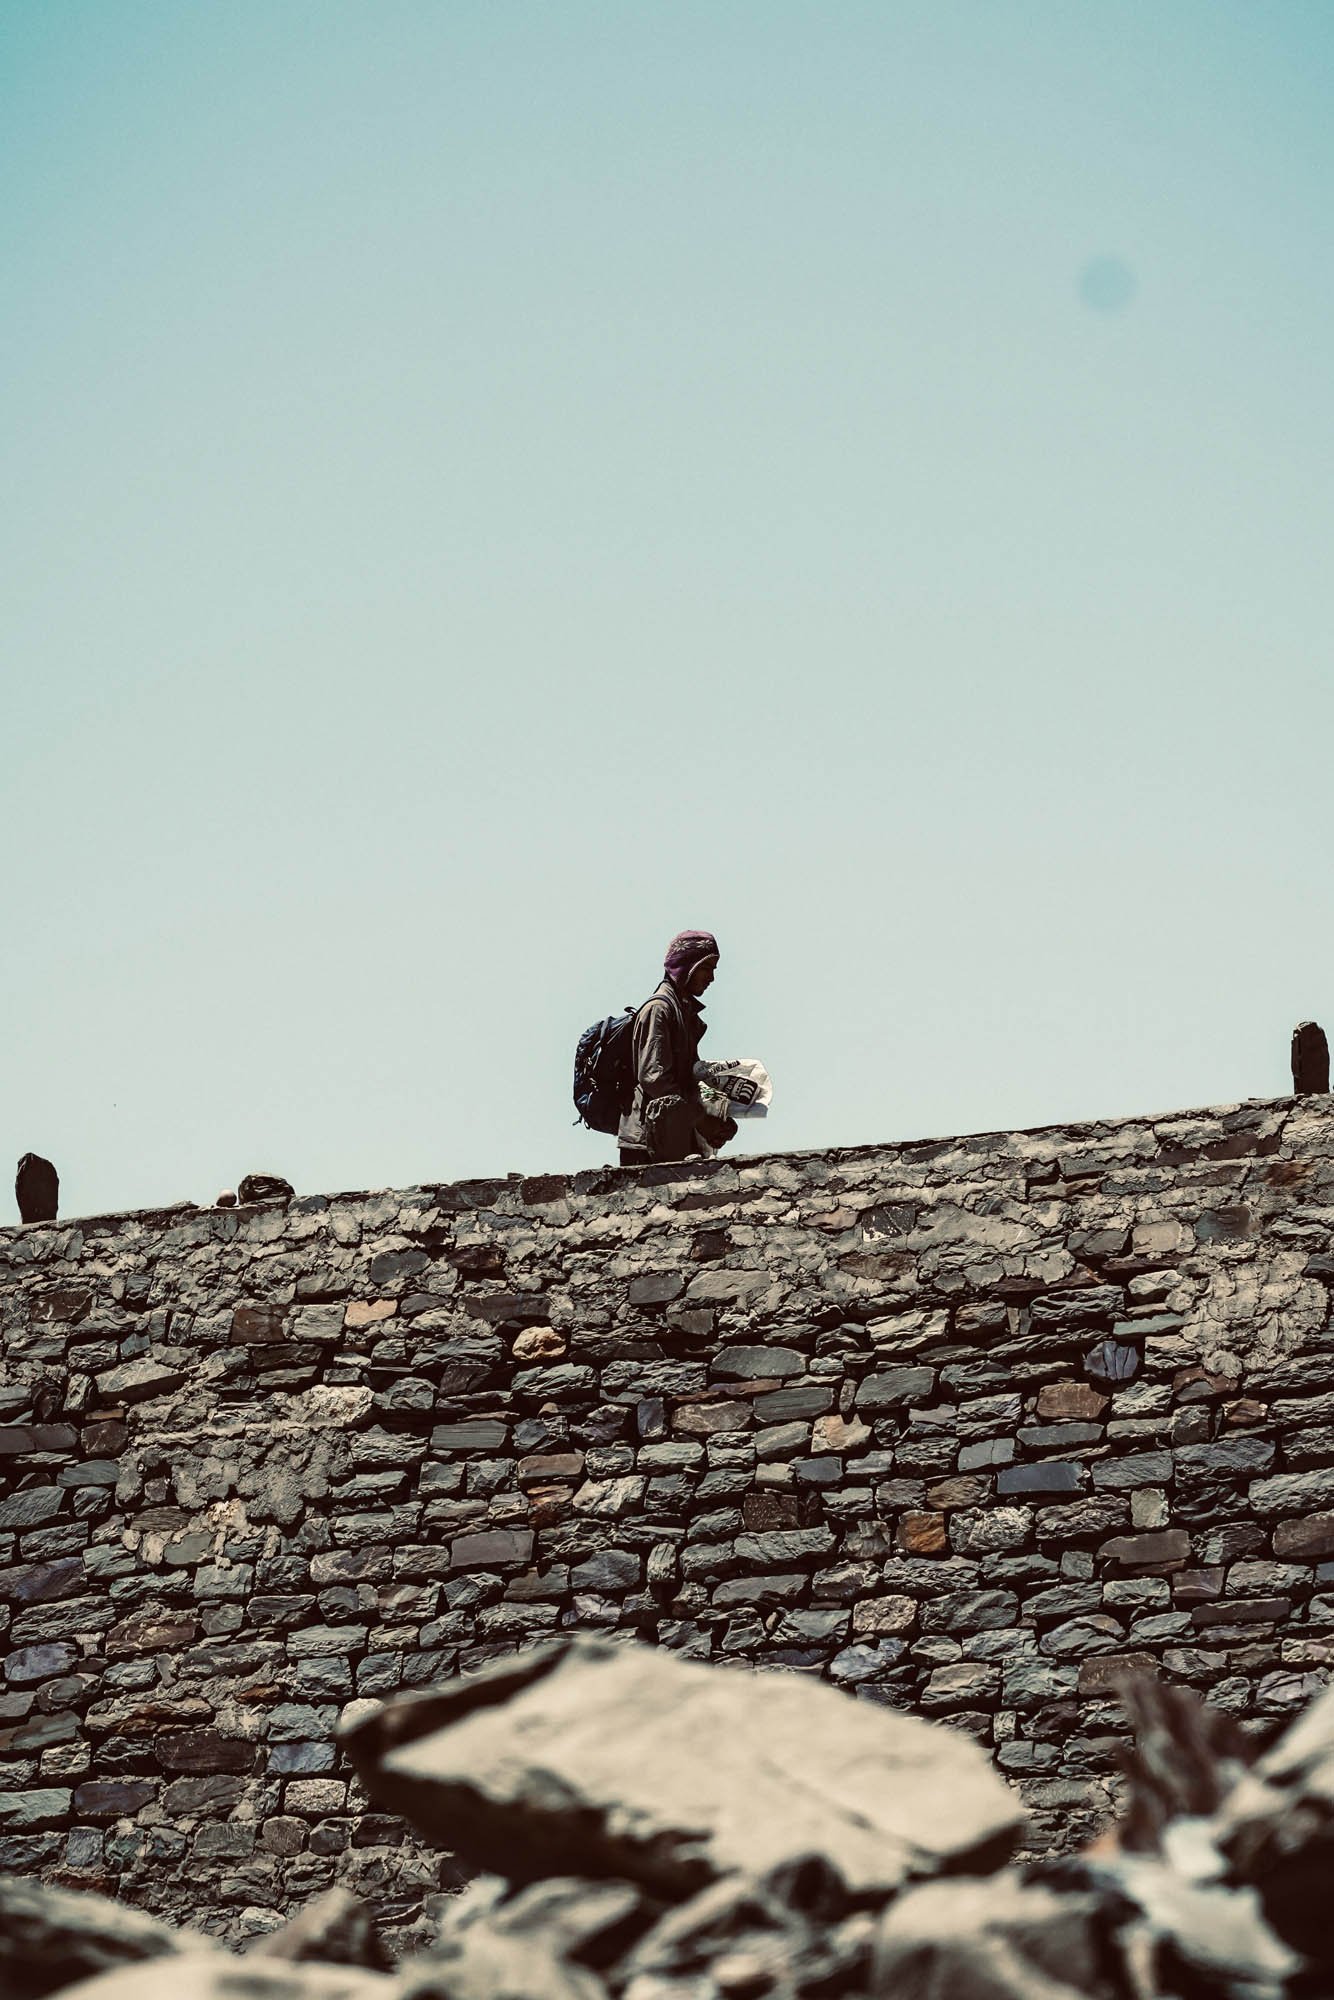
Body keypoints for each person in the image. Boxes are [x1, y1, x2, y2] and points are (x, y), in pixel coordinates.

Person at [618, 930, 738, 1168]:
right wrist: (701, 1120)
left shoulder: (683, 1012)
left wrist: (718, 1114)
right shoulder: (659, 1009)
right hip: (646, 1141)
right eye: (707, 968)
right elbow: (654, 1078)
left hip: (673, 1138)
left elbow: (686, 1081)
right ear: (688, 966)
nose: (711, 978)